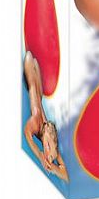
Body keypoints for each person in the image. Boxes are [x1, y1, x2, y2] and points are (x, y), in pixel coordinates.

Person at [23, 52, 68, 181]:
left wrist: (53, 167)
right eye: (48, 146)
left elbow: (66, 176)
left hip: (36, 86)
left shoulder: (50, 138)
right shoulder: (37, 119)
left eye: (51, 156)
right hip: (32, 76)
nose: (49, 155)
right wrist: (40, 154)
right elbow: (27, 134)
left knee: (33, 64)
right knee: (29, 58)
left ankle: (35, 64)